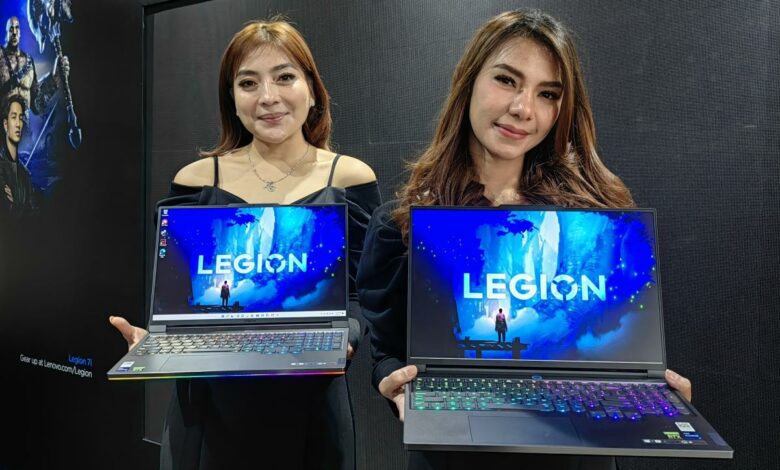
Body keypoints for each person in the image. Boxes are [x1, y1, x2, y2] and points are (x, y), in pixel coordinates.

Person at [357, 9, 692, 469]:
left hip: (574, 454)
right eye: (506, 80)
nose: (523, 109)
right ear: (468, 81)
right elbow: (388, 353)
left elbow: (610, 339)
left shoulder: (596, 217)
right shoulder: (402, 224)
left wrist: (646, 382)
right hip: (456, 453)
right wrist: (393, 380)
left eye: (547, 93)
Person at [109, 18, 380, 469]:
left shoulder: (350, 177)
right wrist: (156, 339)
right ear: (232, 100)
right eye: (248, 83)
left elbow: (362, 292)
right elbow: (180, 298)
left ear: (312, 91)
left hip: (311, 403)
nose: (268, 97)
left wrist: (345, 336)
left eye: (285, 77)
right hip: (210, 410)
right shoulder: (196, 180)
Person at [0, 16, 68, 115]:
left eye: (17, 28)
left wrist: (54, 80)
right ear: (5, 33)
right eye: (11, 29)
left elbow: (37, 106)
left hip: (24, 124)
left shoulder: (28, 61)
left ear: (20, 33)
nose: (14, 32)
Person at [0, 94, 37, 216]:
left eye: (20, 118)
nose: (18, 124)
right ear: (5, 124)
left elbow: (32, 213)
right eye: (14, 117)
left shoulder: (25, 174)